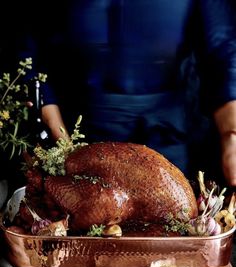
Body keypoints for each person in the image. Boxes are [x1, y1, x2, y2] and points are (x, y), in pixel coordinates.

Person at [13, 0, 236, 186]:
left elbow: (222, 47)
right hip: (77, 134)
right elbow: (27, 49)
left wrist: (231, 134)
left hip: (165, 136)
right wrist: (56, 135)